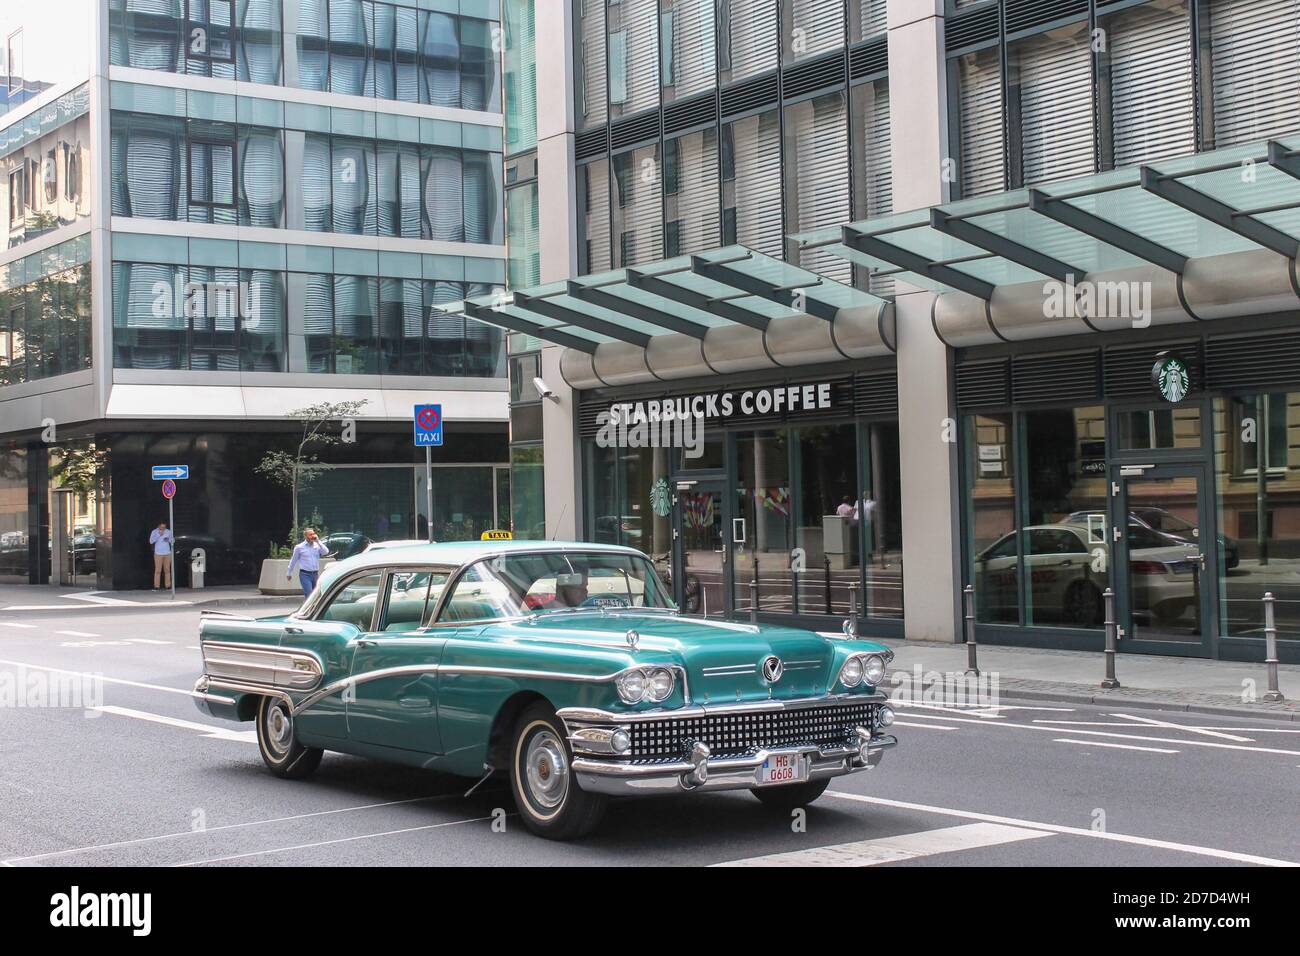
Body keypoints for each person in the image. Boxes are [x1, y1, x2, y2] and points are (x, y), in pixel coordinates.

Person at [286, 527, 330, 598]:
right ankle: (309, 609)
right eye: (310, 535)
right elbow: (293, 560)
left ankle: (314, 608)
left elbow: (326, 552)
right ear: (305, 536)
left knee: (317, 595)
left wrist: (318, 541)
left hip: (315, 574)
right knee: (309, 595)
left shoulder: (317, 545)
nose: (312, 536)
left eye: (313, 534)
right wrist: (289, 573)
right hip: (305, 574)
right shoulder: (299, 547)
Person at [149, 522, 174, 590]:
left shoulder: (168, 531)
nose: (163, 529)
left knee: (167, 570)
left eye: (164, 527)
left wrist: (169, 540)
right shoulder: (154, 532)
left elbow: (173, 541)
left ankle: (168, 585)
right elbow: (151, 541)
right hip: (158, 553)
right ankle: (156, 586)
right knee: (158, 570)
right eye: (161, 527)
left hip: (167, 553)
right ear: (158, 526)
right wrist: (158, 535)